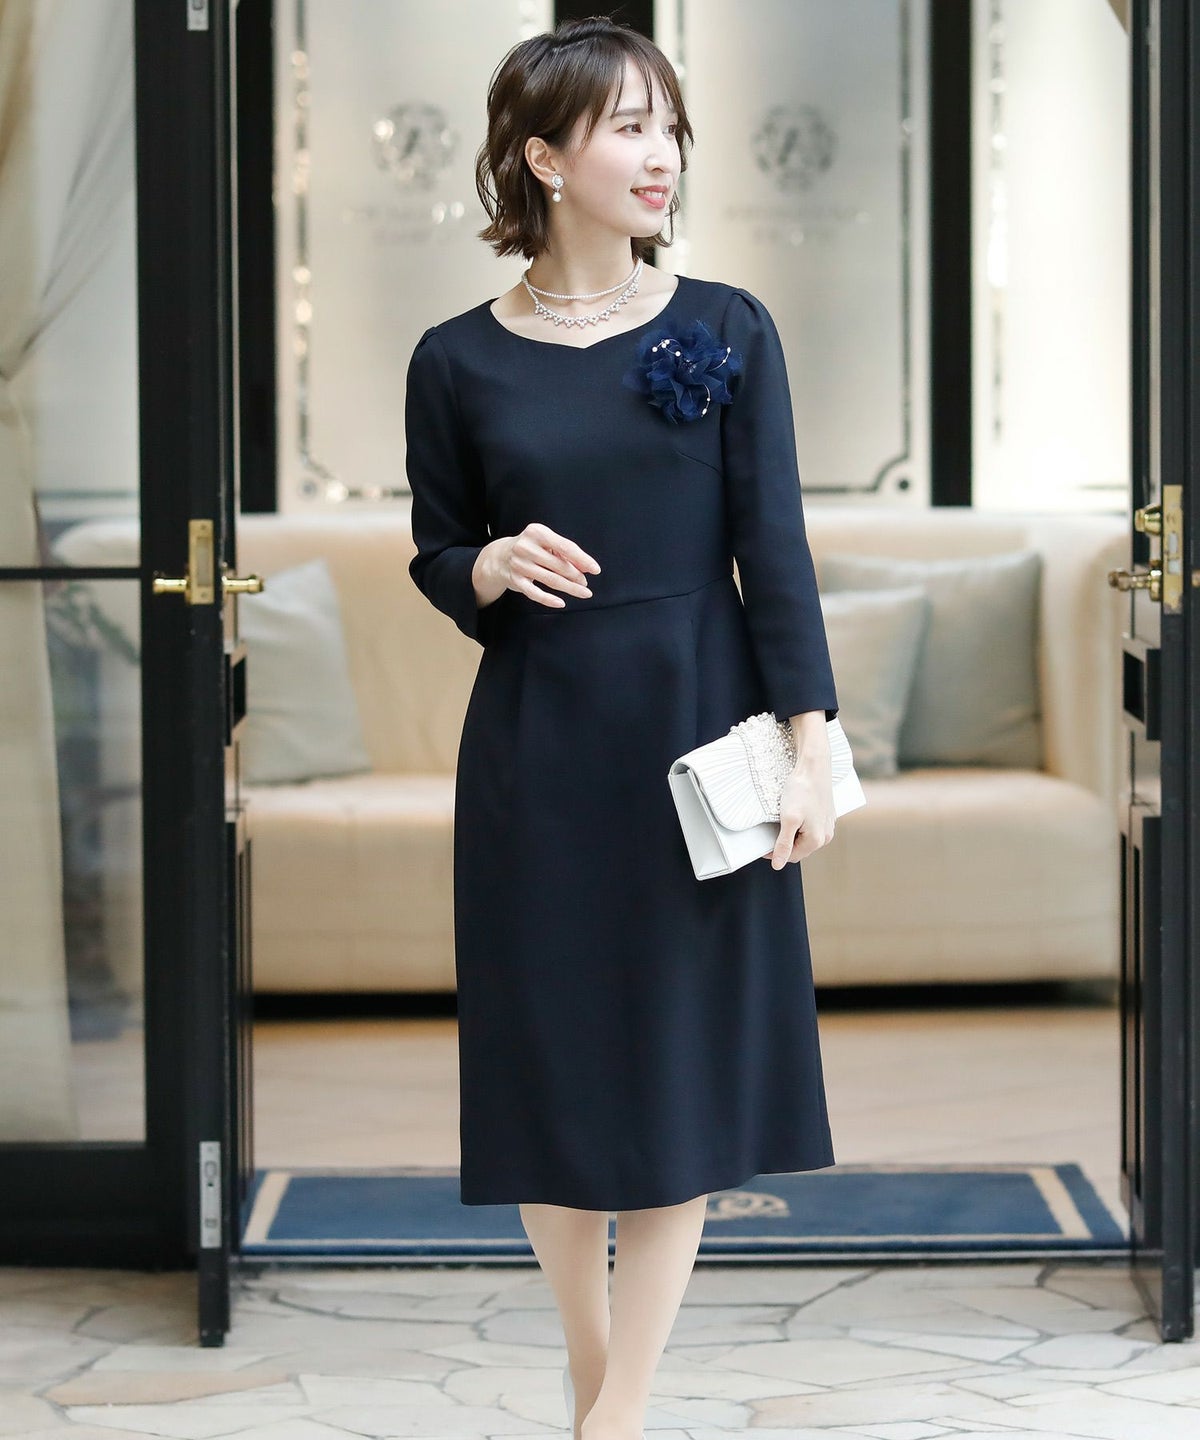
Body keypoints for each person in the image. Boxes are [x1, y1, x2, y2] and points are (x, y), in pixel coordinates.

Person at [404, 16, 841, 1440]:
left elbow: (774, 553)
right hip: (538, 748)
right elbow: (436, 551)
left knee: (673, 1080)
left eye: (669, 128)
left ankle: (618, 1414)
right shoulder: (456, 360)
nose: (663, 156)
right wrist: (484, 564)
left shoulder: (726, 327)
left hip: (696, 735)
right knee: (553, 1075)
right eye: (629, 129)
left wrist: (810, 745)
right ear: (544, 159)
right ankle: (597, 1376)